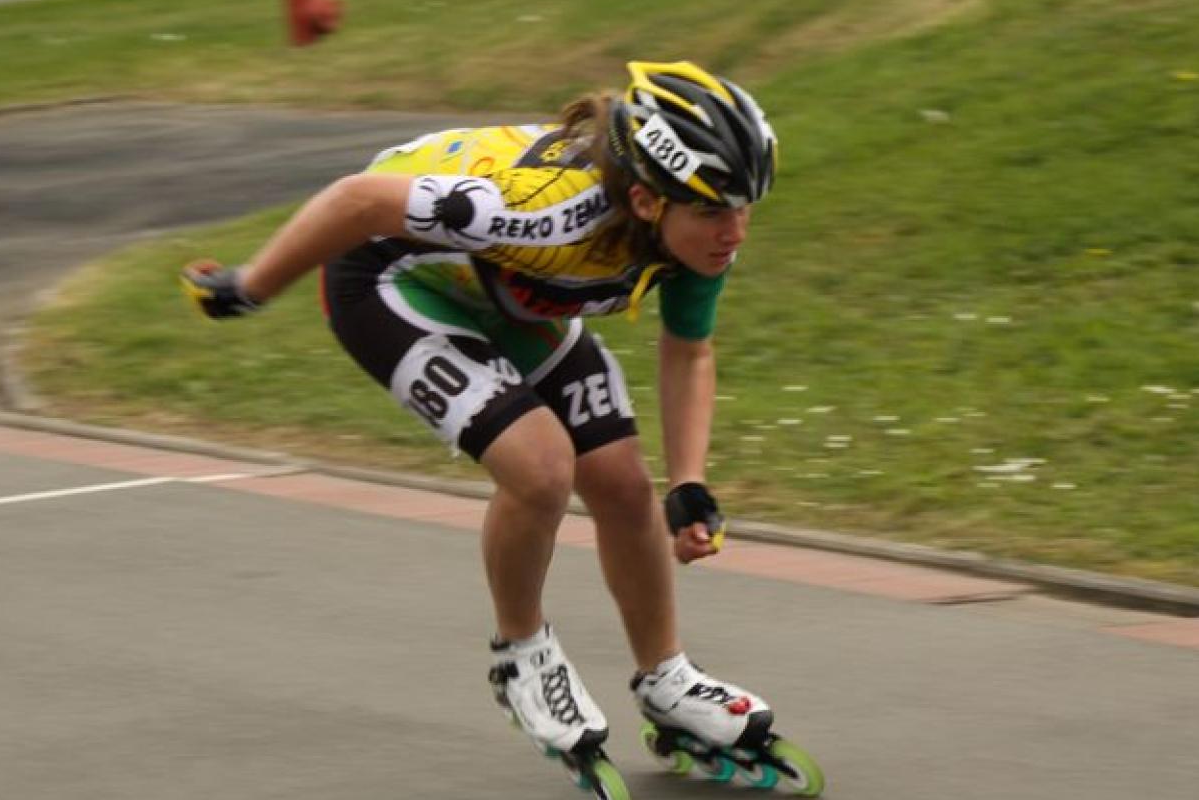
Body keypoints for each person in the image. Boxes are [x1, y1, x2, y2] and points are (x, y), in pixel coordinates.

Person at [180, 63, 806, 776]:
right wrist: (249, 286)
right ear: (644, 200)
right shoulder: (541, 209)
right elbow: (356, 201)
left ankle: (666, 678)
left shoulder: (693, 230)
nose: (734, 231)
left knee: (623, 483)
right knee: (540, 468)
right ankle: (522, 654)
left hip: (505, 290)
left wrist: (689, 482)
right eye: (716, 213)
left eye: (745, 207)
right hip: (390, 275)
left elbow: (689, 350)